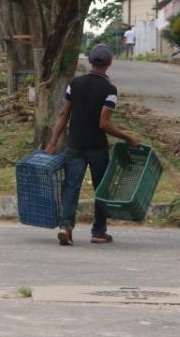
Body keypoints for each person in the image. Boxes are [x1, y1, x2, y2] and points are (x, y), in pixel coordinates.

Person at [44, 43, 138, 246]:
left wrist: (52, 143)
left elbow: (63, 114)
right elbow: (104, 123)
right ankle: (98, 231)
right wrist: (127, 137)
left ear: (89, 61)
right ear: (109, 64)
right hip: (97, 148)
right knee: (101, 189)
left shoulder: (75, 84)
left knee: (71, 187)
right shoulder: (110, 90)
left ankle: (66, 228)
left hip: (75, 145)